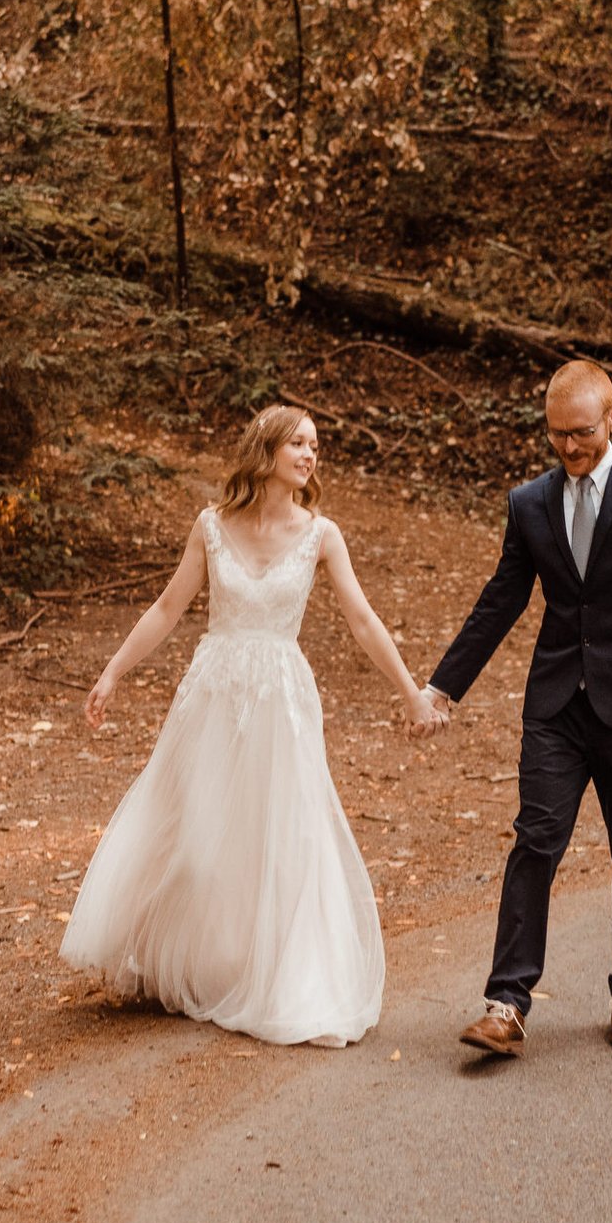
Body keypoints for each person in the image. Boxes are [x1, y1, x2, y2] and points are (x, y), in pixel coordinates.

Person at [62, 404, 446, 1047]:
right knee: (198, 839)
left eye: (315, 446)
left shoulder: (322, 535)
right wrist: (112, 672)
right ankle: (197, 965)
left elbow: (363, 620)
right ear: (265, 450)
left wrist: (412, 694)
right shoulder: (211, 527)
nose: (309, 454)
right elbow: (166, 608)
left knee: (281, 836)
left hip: (282, 702)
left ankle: (279, 977)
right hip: (213, 692)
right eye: (298, 442)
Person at [424, 360, 612, 1057]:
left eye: (583, 432)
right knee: (536, 838)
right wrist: (444, 686)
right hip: (557, 702)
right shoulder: (529, 502)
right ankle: (506, 1001)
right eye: (557, 434)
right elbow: (501, 599)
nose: (570, 447)